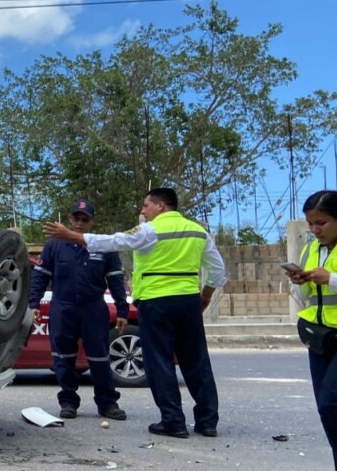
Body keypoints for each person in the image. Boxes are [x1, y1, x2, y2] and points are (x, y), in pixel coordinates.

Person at [43, 187, 227, 439]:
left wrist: (72, 236)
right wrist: (205, 296)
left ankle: (173, 421)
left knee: (159, 362)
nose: (143, 211)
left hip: (156, 302)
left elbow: (115, 241)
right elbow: (217, 269)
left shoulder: (150, 230)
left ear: (160, 206)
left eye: (146, 206)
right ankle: (207, 422)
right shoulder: (198, 231)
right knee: (197, 362)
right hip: (188, 302)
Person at [30, 200, 130, 421]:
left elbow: (115, 281)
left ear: (92, 221)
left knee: (100, 357)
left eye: (85, 219)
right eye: (76, 218)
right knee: (63, 358)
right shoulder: (54, 245)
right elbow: (40, 276)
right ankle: (68, 402)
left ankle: (108, 404)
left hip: (93, 309)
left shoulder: (103, 246)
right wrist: (34, 303)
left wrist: (122, 310)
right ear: (69, 219)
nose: (80, 223)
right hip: (62, 308)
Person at [287, 189, 337, 471]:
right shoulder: (312, 248)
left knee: (333, 403)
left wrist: (331, 279)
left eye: (321, 223)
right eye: (310, 224)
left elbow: (332, 283)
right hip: (321, 337)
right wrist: (301, 282)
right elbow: (307, 296)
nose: (314, 230)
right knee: (327, 407)